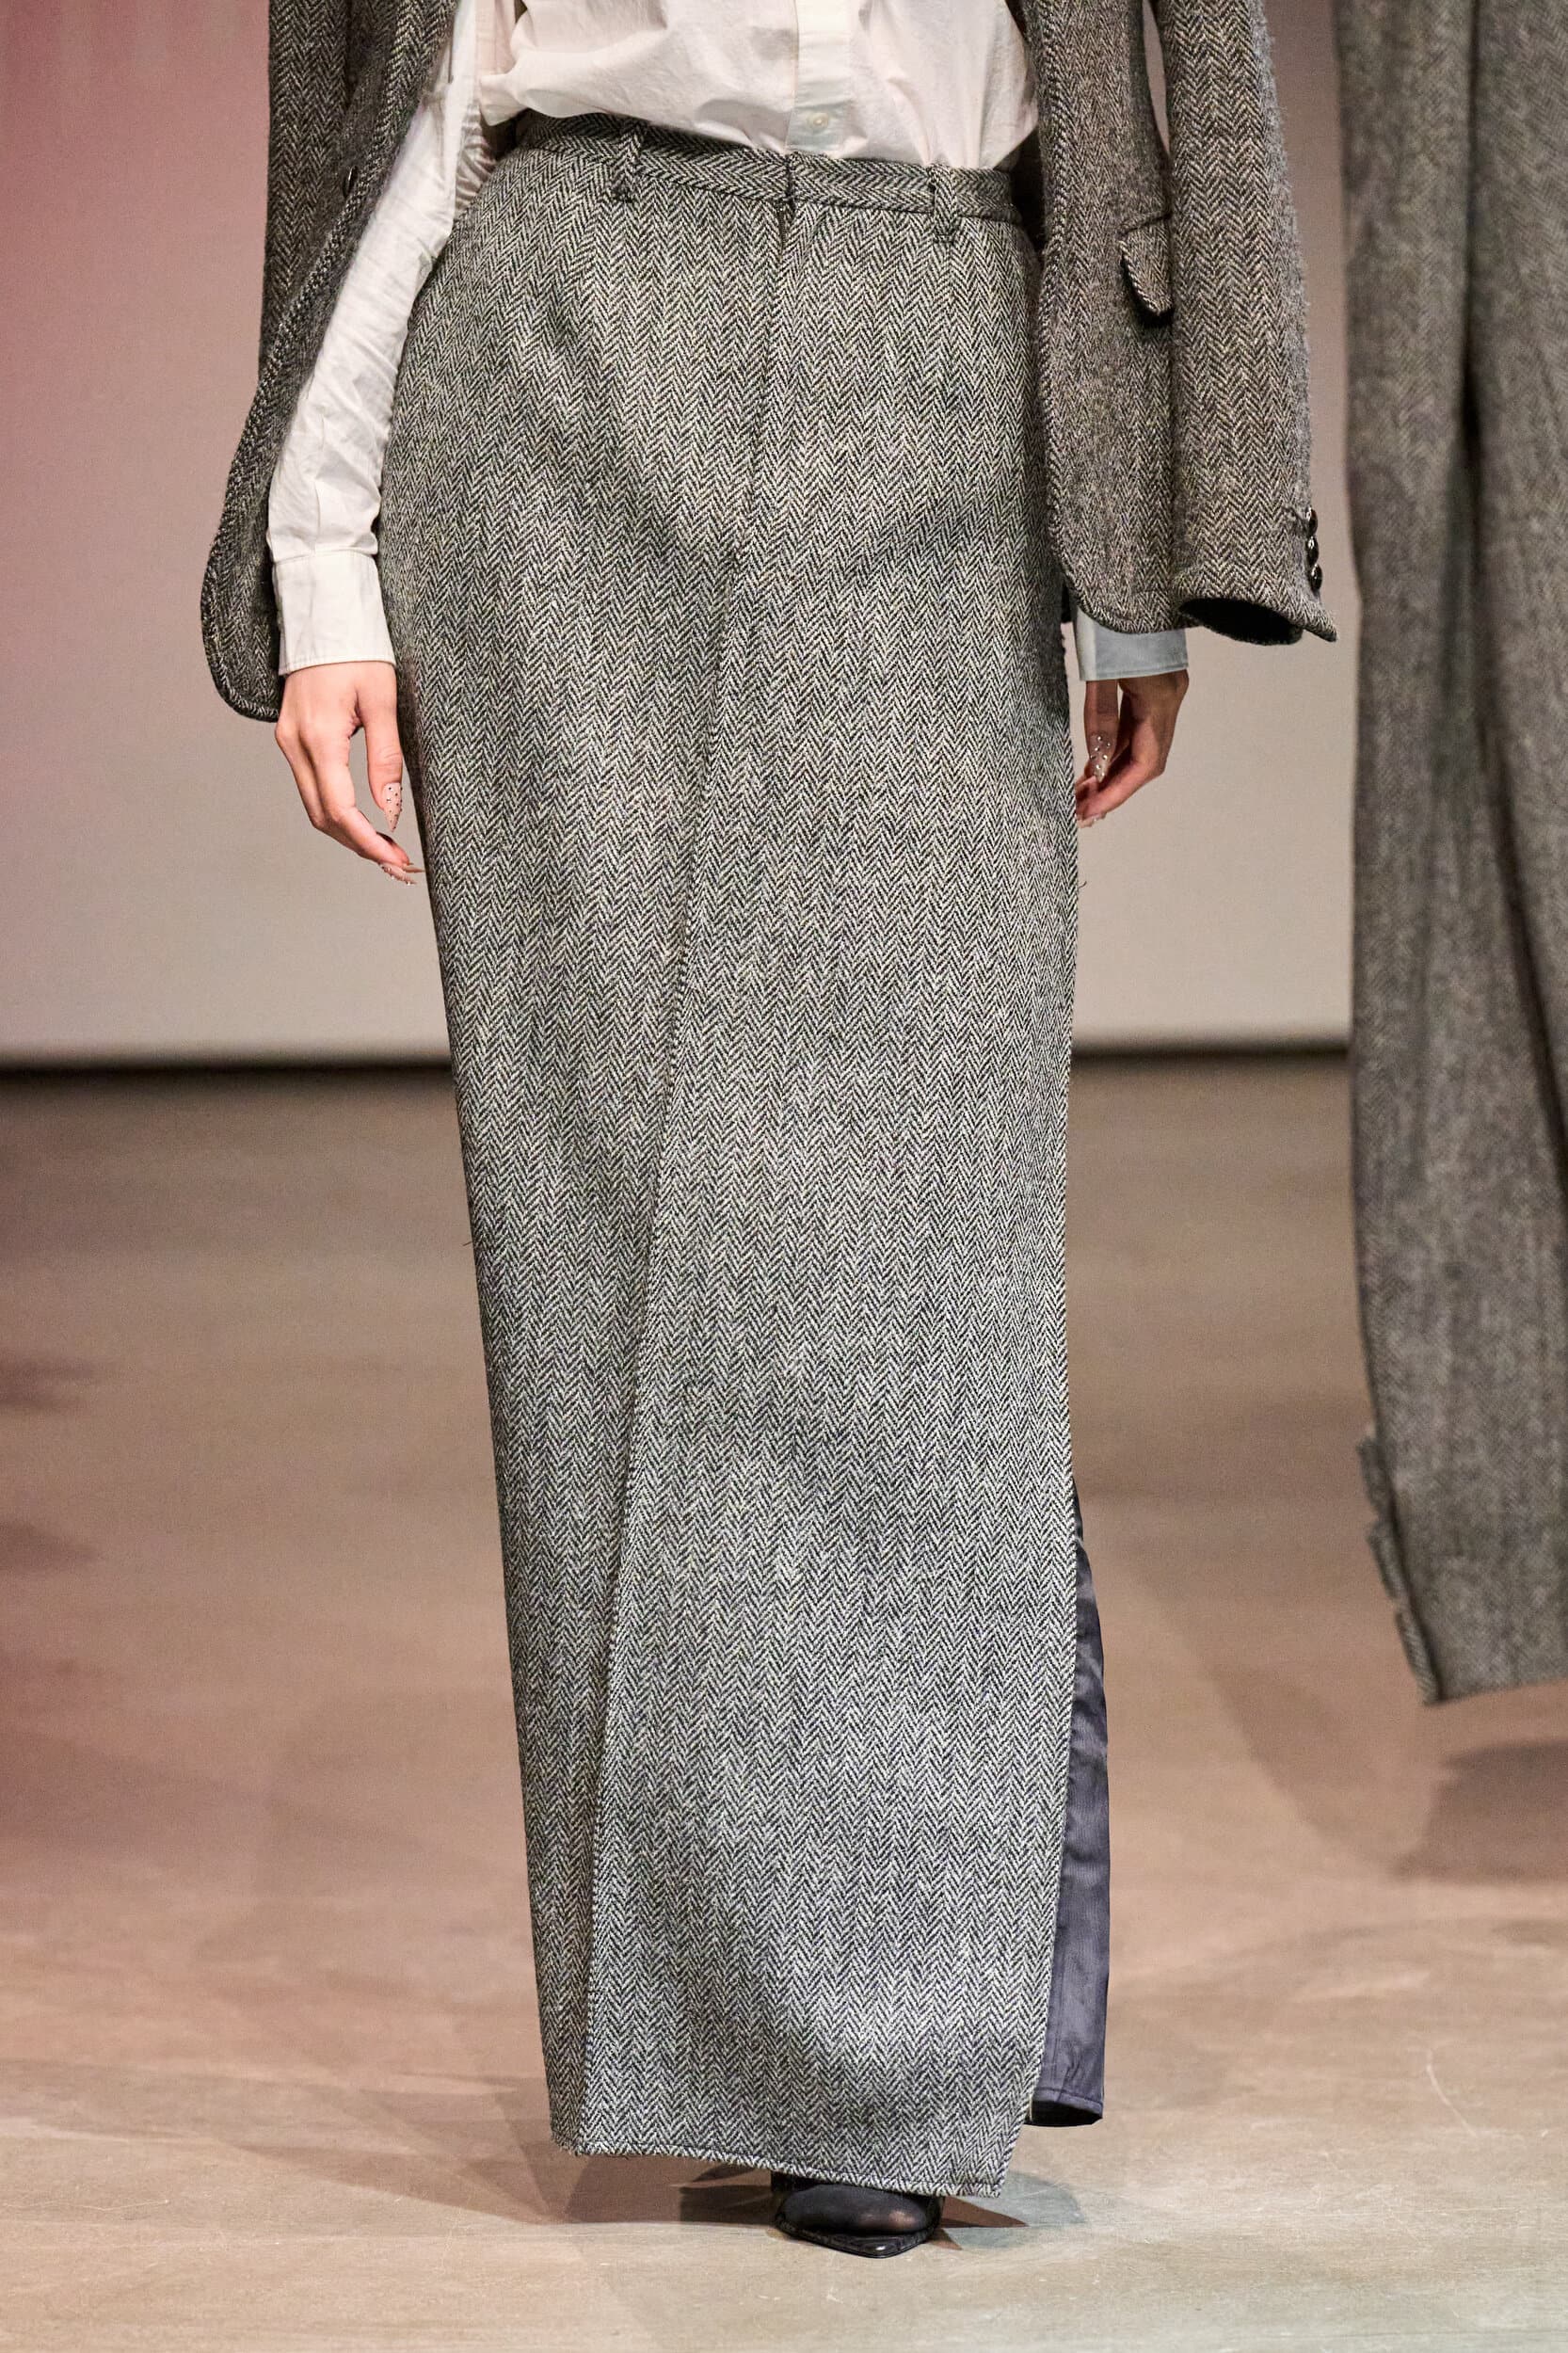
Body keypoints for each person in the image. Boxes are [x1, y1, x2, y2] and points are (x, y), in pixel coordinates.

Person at [203, 0, 1332, 2262]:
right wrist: (325, 554)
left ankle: (899, 2023)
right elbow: (419, 90)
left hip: (943, 347)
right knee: (604, 1251)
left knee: (910, 1254)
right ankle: (782, 2045)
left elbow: (1160, 89)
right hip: (555, 357)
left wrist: (1143, 543)